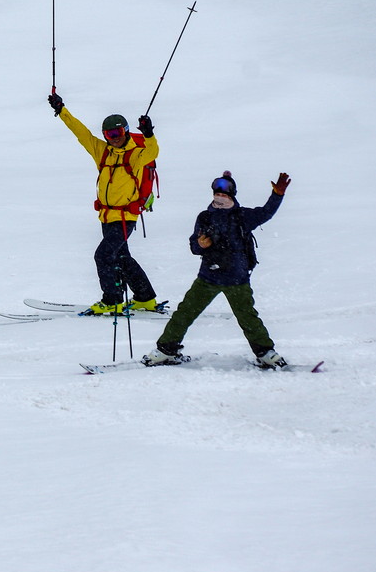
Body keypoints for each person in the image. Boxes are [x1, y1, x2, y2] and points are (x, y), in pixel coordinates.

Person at [143, 170, 293, 368]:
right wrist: (200, 245)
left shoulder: (243, 217)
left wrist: (277, 194)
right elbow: (194, 246)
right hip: (208, 277)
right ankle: (165, 350)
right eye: (217, 194)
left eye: (224, 195)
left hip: (237, 279)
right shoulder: (205, 217)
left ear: (232, 196)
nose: (220, 197)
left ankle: (265, 353)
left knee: (248, 318)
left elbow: (266, 213)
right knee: (185, 313)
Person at [47, 92, 159, 314]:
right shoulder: (103, 152)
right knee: (121, 256)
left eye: (117, 132)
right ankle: (145, 297)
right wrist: (61, 110)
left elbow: (153, 151)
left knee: (104, 255)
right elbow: (81, 133)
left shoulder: (136, 155)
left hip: (126, 217)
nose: (113, 137)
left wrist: (148, 133)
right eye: (108, 134)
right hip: (107, 217)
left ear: (126, 131)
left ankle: (112, 300)